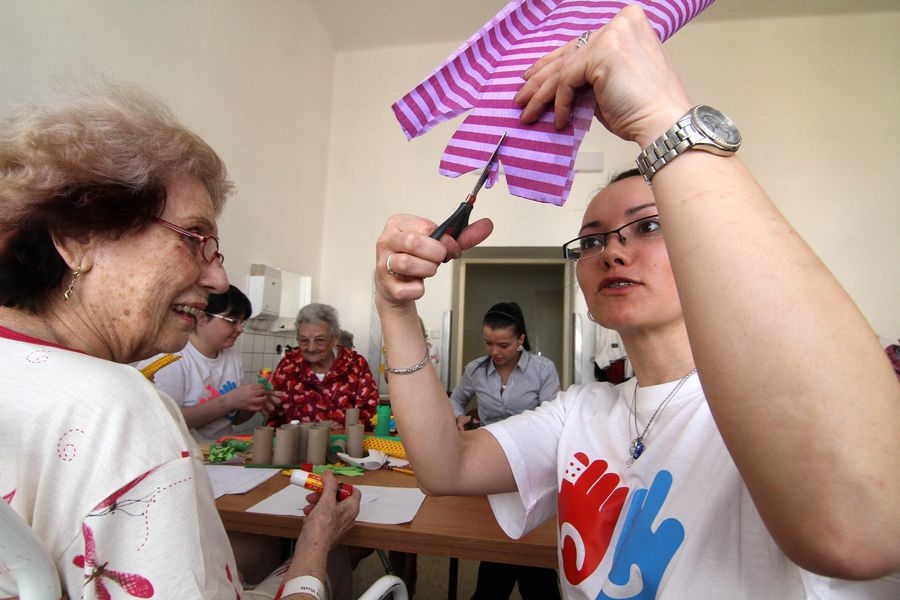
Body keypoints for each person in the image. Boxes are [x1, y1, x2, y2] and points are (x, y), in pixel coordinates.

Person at [372, 6, 900, 599]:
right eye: (593, 238)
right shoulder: (581, 413)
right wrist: (396, 311)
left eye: (647, 226)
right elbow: (447, 467)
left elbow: (863, 527)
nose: (612, 252)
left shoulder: (770, 400)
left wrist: (660, 117)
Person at [0, 84, 360, 598]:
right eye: (195, 239)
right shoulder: (118, 407)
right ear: (79, 237)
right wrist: (313, 549)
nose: (217, 280)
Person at [449, 301, 561, 599]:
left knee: (524, 542)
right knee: (499, 534)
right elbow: (455, 399)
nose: (494, 352)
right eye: (488, 343)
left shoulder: (542, 369)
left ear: (521, 340)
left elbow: (552, 417)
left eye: (503, 344)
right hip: (490, 463)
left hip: (532, 463)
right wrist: (458, 416)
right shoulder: (475, 369)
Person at [138, 284, 279, 444]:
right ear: (202, 317)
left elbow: (234, 420)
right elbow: (167, 422)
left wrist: (253, 402)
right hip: (186, 455)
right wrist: (230, 400)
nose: (240, 329)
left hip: (222, 453)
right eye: (232, 321)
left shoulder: (232, 357)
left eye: (242, 322)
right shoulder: (172, 358)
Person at [267, 303, 379, 429]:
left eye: (319, 340)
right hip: (296, 445)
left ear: (335, 339)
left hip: (344, 445)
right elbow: (273, 417)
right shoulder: (288, 365)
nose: (311, 347)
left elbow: (371, 414)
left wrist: (343, 428)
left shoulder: (356, 365)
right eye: (304, 340)